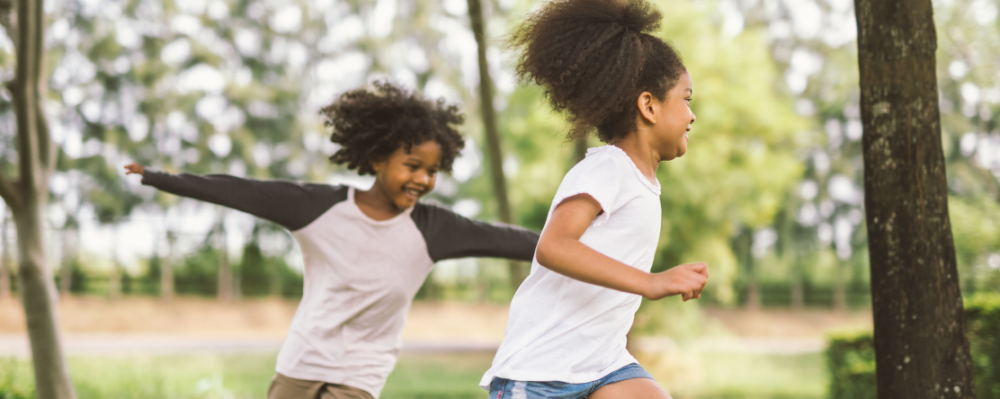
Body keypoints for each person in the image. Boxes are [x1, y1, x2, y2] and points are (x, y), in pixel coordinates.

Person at [125, 81, 539, 399]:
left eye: (432, 171)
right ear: (377, 159)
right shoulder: (317, 208)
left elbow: (508, 240)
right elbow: (240, 190)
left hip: (359, 376)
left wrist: (579, 241)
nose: (423, 180)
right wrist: (159, 178)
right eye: (412, 165)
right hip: (300, 363)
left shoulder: (434, 229)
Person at [480, 0, 709, 398]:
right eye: (686, 98)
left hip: (604, 362)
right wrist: (650, 283)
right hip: (542, 370)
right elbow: (554, 246)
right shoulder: (609, 167)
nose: (692, 115)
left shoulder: (642, 182)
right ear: (649, 105)